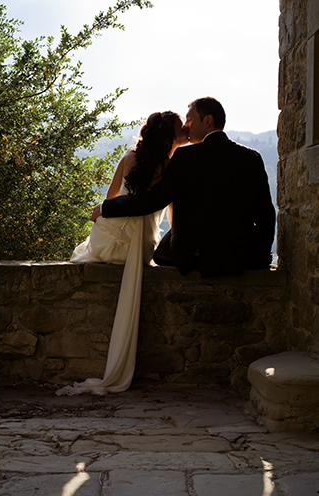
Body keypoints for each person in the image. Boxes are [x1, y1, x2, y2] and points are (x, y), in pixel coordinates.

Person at [56, 111, 188, 396]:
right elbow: (172, 217)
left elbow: (110, 199)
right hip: (139, 248)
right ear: (169, 137)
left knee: (82, 250)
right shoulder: (172, 167)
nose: (186, 130)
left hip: (110, 239)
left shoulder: (130, 158)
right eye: (181, 128)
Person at [93, 97, 276, 277]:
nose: (186, 126)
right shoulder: (252, 157)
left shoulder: (185, 157)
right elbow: (266, 214)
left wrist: (106, 207)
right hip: (240, 255)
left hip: (196, 256)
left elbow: (153, 200)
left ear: (207, 121)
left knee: (162, 252)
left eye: (189, 119)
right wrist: (262, 255)